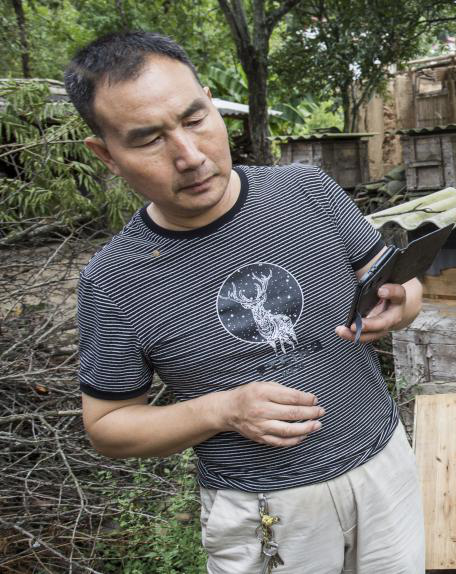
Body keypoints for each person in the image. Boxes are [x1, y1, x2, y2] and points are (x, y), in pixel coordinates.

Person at [67, 31, 425, 573]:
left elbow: (393, 283)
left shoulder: (308, 192)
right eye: (148, 139)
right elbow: (108, 424)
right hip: (265, 510)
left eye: (194, 119)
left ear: (211, 102)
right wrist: (222, 410)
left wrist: (405, 300)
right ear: (106, 155)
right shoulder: (114, 279)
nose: (189, 156)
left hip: (384, 467)